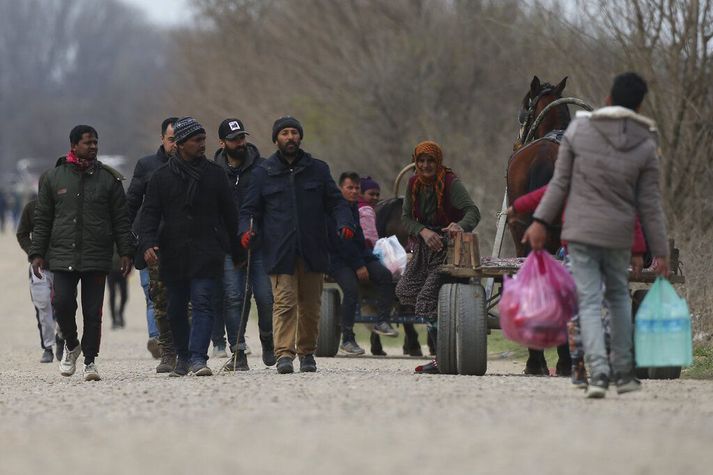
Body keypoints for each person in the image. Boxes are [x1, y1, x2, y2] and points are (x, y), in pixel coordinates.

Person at [523, 72, 669, 398]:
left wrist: (539, 222)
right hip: (618, 235)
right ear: (639, 105)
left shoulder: (579, 131)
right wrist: (658, 251)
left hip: (581, 232)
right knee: (618, 298)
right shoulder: (645, 143)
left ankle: (599, 373)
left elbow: (560, 185)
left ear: (607, 99)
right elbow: (649, 204)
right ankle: (623, 372)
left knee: (588, 301)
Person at [239, 116, 353, 374]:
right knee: (285, 303)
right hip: (280, 250)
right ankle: (284, 354)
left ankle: (307, 353)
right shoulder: (263, 172)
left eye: (294, 133)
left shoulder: (318, 169)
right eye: (285, 133)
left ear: (300, 137)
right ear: (276, 139)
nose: (290, 137)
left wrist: (344, 222)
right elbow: (249, 210)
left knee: (311, 305)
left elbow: (336, 203)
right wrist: (246, 230)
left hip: (313, 249)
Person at [509, 183, 648, 385]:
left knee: (578, 309)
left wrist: (518, 207)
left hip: (578, 247)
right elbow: (631, 211)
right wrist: (638, 249)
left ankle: (579, 365)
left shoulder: (575, 172)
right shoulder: (617, 173)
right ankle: (613, 364)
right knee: (615, 303)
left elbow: (548, 193)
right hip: (614, 247)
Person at [30, 125, 134, 381]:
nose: (94, 147)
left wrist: (125, 251)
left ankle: (89, 360)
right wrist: (37, 253)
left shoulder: (109, 179)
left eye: (96, 142)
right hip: (62, 255)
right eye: (88, 143)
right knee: (62, 303)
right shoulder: (53, 178)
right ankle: (71, 345)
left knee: (93, 312)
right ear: (74, 145)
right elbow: (42, 219)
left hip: (97, 256)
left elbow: (121, 220)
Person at [141, 117, 242, 377]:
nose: (202, 145)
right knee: (175, 307)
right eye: (196, 141)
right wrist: (148, 242)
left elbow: (230, 214)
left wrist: (237, 250)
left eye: (203, 140)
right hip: (173, 252)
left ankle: (199, 358)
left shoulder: (215, 175)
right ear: (181, 144)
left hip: (208, 250)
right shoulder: (161, 177)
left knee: (203, 302)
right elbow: (149, 213)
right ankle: (183, 357)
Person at [395, 140, 481, 374]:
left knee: (426, 300)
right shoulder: (413, 184)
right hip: (424, 249)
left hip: (449, 251)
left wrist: (459, 226)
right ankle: (445, 337)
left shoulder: (451, 183)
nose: (425, 166)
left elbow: (473, 211)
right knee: (404, 290)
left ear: (438, 162)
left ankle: (442, 356)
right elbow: (406, 218)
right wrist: (422, 231)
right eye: (420, 161)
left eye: (430, 161)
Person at [212, 118, 275, 371]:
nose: (240, 143)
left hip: (258, 242)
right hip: (228, 246)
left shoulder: (262, 168)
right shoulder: (214, 172)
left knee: (265, 297)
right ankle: (238, 352)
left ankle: (268, 340)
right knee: (234, 298)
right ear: (222, 142)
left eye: (242, 138)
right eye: (234, 139)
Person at [126, 117, 178, 372]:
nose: (176, 144)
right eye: (171, 139)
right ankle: (158, 339)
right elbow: (132, 201)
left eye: (180, 139)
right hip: (149, 242)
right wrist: (126, 235)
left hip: (181, 243)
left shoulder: (194, 166)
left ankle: (178, 343)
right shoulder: (147, 166)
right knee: (152, 294)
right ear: (162, 139)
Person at [329, 171, 398, 356]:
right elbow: (342, 244)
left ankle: (382, 321)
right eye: (349, 188)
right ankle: (348, 339)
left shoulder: (355, 208)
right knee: (351, 290)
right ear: (340, 188)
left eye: (356, 188)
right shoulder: (336, 208)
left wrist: (372, 258)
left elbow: (359, 239)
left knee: (385, 275)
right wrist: (359, 265)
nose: (353, 191)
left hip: (358, 256)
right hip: (339, 260)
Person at [16, 175, 64, 363]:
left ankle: (61, 337)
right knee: (43, 306)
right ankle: (47, 347)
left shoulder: (64, 208)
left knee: (63, 305)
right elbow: (22, 234)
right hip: (40, 267)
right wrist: (34, 253)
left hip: (62, 265)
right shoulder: (31, 208)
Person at [107, 250, 128, 329]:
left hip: (122, 269)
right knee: (112, 294)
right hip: (110, 270)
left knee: (124, 294)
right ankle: (113, 319)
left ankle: (120, 313)